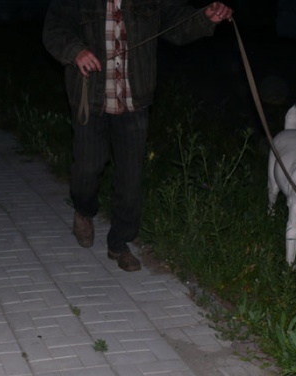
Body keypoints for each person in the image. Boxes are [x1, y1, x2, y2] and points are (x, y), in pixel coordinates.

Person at [43, 0, 233, 271]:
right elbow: (54, 29)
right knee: (87, 168)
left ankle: (119, 243)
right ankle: (83, 210)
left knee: (130, 178)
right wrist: (76, 51)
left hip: (135, 100)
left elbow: (177, 23)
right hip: (90, 97)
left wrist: (206, 17)